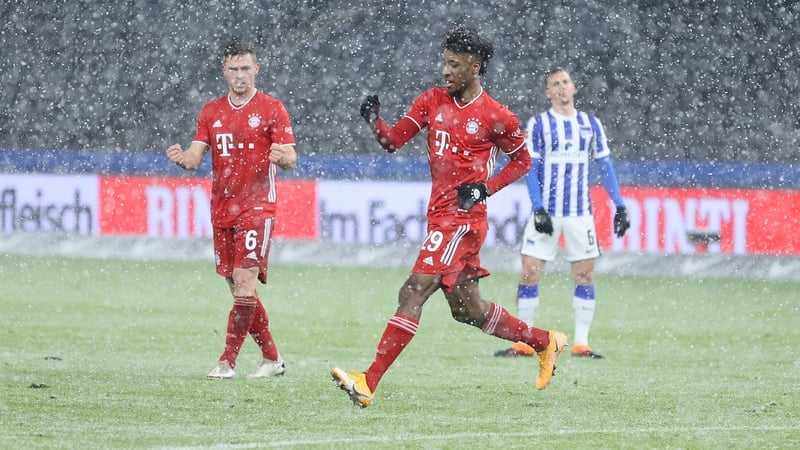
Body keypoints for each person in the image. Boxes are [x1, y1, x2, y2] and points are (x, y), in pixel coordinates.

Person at [330, 25, 567, 408]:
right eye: (444, 63)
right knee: (467, 311)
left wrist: (485, 188)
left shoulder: (497, 116)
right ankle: (545, 341)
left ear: (475, 67)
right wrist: (374, 121)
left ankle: (367, 381)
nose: (445, 71)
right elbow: (393, 141)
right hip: (439, 216)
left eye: (454, 65)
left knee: (413, 290)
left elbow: (523, 161)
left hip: (463, 220)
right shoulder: (431, 100)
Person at [165, 39, 297, 379]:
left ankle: (227, 362)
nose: (240, 75)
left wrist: (283, 158)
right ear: (224, 71)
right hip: (222, 209)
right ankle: (272, 359)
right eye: (234, 69)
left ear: (257, 69)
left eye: (246, 68)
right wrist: (182, 159)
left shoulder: (272, 108)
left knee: (243, 282)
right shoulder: (211, 111)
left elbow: (290, 157)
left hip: (257, 207)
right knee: (239, 288)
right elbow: (194, 158)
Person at [494, 67, 629, 360]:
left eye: (565, 82)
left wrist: (619, 205)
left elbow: (605, 166)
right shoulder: (539, 124)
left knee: (585, 274)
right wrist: (538, 207)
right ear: (548, 93)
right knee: (530, 272)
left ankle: (581, 343)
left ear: (574, 87)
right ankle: (524, 342)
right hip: (547, 212)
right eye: (555, 84)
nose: (561, 87)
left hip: (580, 213)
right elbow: (531, 168)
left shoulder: (591, 124)